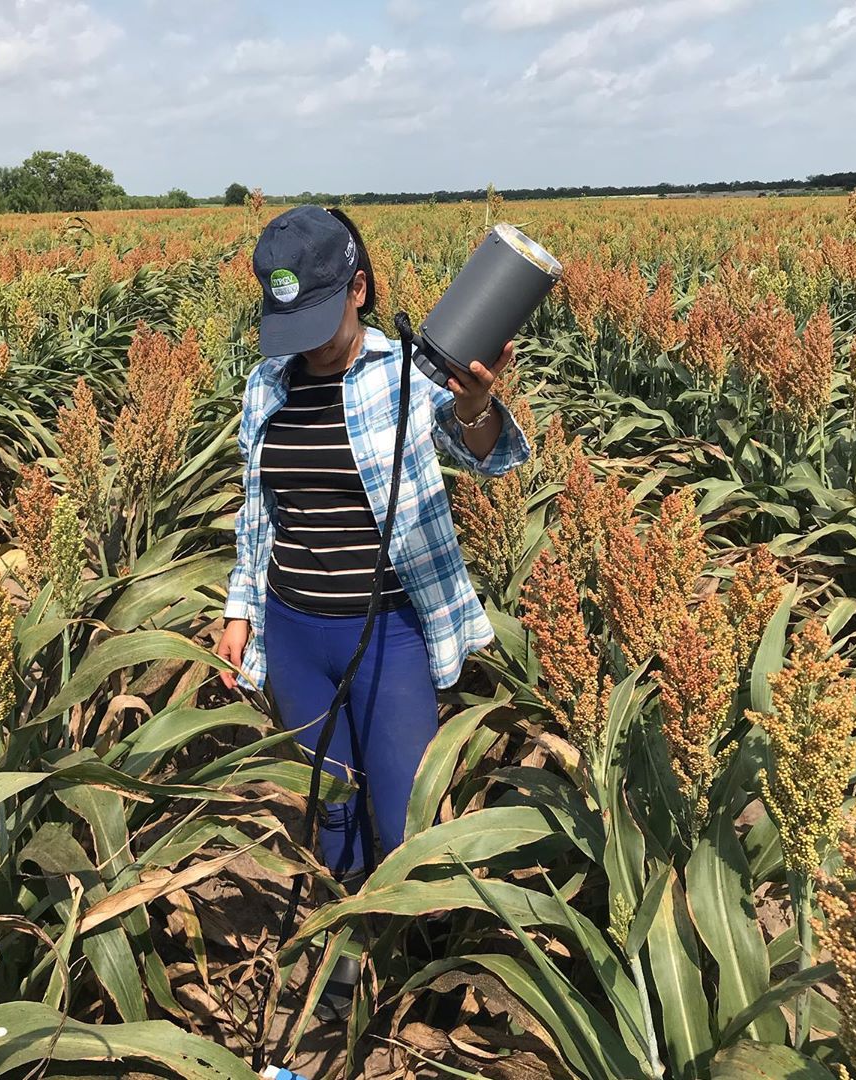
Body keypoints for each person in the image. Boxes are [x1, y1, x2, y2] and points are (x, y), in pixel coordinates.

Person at [215, 204, 530, 1018]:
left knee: (403, 809)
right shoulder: (266, 383)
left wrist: (475, 407)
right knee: (334, 808)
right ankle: (349, 954)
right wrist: (240, 609)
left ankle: (422, 962)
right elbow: (259, 509)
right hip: (293, 628)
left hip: (386, 629)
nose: (307, 341)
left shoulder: (406, 373)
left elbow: (483, 452)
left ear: (359, 288)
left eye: (320, 318)